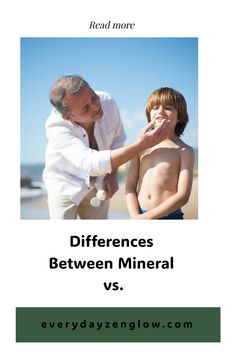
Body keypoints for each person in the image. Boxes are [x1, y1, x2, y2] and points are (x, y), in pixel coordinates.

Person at [43, 75, 170, 219]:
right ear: (68, 117)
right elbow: (89, 163)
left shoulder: (107, 101)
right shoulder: (56, 127)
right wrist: (141, 145)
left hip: (99, 184)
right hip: (65, 184)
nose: (96, 106)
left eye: (93, 97)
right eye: (85, 108)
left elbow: (118, 138)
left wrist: (112, 173)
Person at [126, 87, 195, 220]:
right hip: (139, 214)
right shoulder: (140, 147)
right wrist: (135, 216)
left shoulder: (184, 151)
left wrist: (147, 218)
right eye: (155, 107)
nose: (160, 112)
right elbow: (130, 187)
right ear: (149, 113)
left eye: (168, 108)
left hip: (169, 217)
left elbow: (183, 196)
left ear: (179, 116)